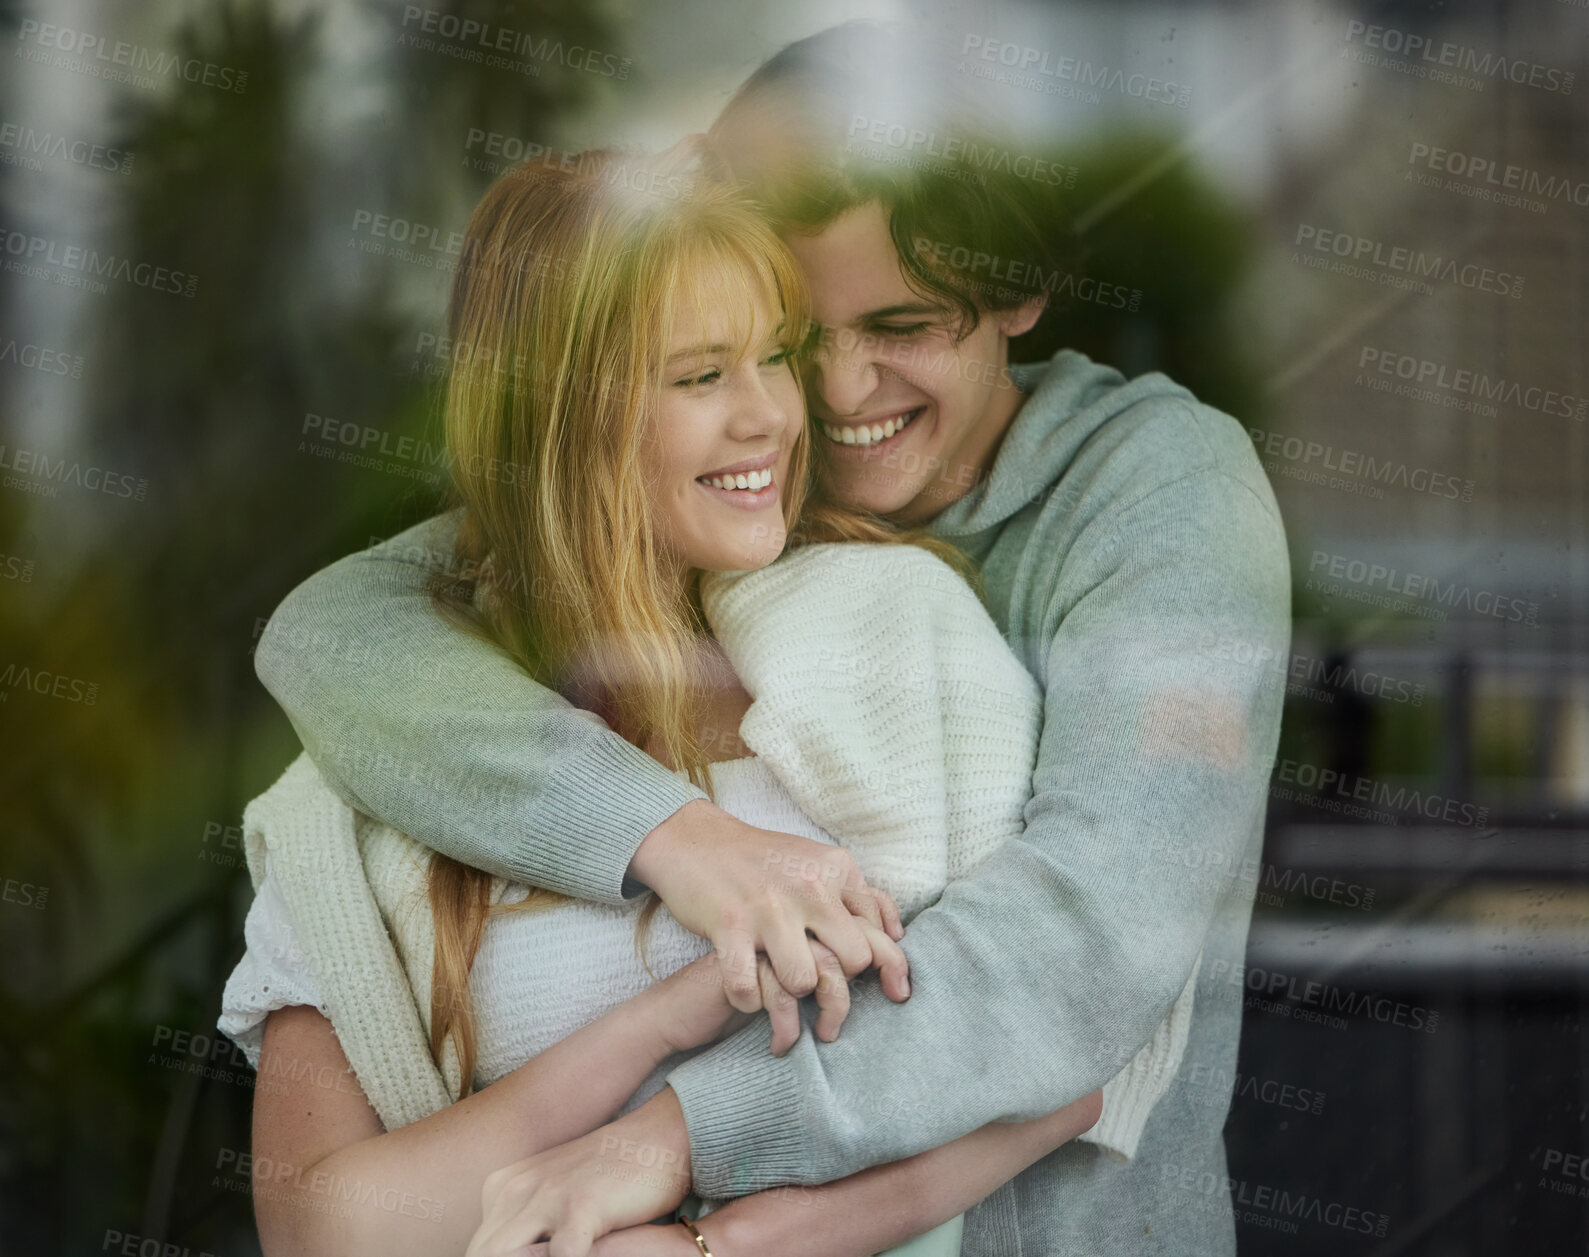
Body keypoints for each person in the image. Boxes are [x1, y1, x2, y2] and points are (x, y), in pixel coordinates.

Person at [254, 22, 1291, 1256]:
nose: (834, 398)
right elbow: (336, 630)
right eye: (793, 337)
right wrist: (672, 839)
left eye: (901, 326)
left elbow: (1077, 954)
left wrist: (679, 1145)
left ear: (1015, 294)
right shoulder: (736, 513)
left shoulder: (1157, 495)